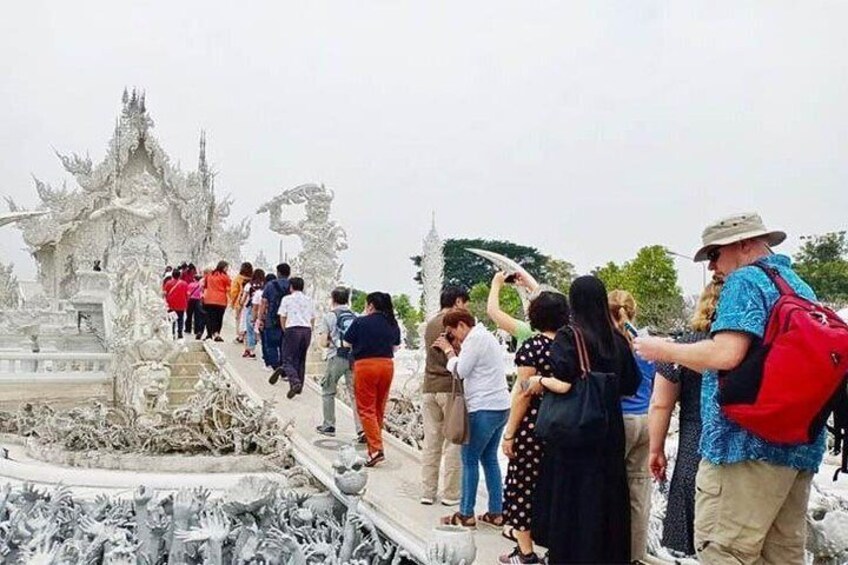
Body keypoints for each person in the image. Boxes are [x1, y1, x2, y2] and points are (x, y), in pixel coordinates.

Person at [635, 213, 825, 565]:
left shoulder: (746, 281)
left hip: (743, 448)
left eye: (714, 255)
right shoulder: (798, 286)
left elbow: (726, 354)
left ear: (744, 245)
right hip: (797, 445)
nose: (713, 267)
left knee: (725, 550)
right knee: (781, 554)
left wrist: (662, 350)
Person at [530, 275, 639, 564]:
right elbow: (631, 384)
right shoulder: (617, 338)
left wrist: (540, 379)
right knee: (607, 498)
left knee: (573, 501)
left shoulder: (570, 335)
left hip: (575, 431)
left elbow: (563, 381)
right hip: (609, 427)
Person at [648, 279, 723, 557]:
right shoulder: (746, 345)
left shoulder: (683, 347)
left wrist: (656, 450)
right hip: (741, 446)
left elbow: (660, 405)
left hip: (694, 444)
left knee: (693, 534)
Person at [499, 291, 570, 564]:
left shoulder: (532, 347)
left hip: (533, 427)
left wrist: (510, 433)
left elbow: (524, 393)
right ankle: (554, 549)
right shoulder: (571, 346)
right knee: (554, 487)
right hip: (563, 426)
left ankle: (526, 553)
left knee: (522, 486)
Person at [436, 309, 511, 530]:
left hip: (483, 408)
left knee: (468, 459)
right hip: (501, 406)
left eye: (452, 332)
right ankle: (497, 512)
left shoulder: (474, 340)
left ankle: (466, 513)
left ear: (461, 325)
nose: (454, 337)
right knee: (489, 458)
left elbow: (461, 371)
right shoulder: (487, 336)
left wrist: (449, 353)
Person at [608, 289, 655, 562]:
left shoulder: (611, 344)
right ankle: (635, 555)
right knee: (639, 492)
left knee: (611, 489)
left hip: (621, 420)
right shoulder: (645, 343)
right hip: (646, 419)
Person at [421, 285, 470, 507]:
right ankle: (451, 494)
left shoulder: (430, 323)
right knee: (453, 442)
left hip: (429, 387)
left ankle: (427, 492)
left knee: (431, 442)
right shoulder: (456, 324)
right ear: (458, 301)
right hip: (450, 388)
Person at [343, 292, 401, 467]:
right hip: (387, 365)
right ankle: (374, 446)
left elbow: (346, 343)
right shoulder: (393, 323)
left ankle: (376, 449)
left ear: (371, 305)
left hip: (366, 366)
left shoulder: (361, 321)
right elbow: (396, 346)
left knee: (366, 409)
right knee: (378, 408)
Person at [316, 287, 363, 439]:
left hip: (336, 357)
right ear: (348, 299)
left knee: (328, 390)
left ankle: (329, 425)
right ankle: (361, 429)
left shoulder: (329, 316)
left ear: (332, 298)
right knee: (355, 394)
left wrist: (333, 343)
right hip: (353, 358)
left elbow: (323, 342)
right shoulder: (355, 316)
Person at [269, 277, 314, 399]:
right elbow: (312, 318)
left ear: (291, 287)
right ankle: (299, 386)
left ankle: (295, 382)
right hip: (307, 330)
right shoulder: (309, 300)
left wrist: (285, 329)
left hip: (293, 329)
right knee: (301, 359)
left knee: (287, 359)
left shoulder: (287, 299)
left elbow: (282, 316)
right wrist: (310, 330)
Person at [487, 271, 540, 347]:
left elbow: (493, 311)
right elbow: (546, 303)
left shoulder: (527, 332)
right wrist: (530, 285)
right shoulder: (559, 334)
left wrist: (496, 284)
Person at [257, 264, 291, 370]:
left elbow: (263, 302)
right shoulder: (292, 285)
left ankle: (275, 366)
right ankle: (283, 367)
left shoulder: (270, 285)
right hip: (288, 320)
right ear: (289, 273)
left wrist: (260, 318)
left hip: (271, 319)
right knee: (284, 345)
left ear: (278, 273)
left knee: (271, 345)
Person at [202, 261, 231, 342]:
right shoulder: (224, 276)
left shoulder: (209, 275)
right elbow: (229, 286)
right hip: (221, 300)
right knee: (218, 318)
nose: (227, 269)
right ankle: (216, 334)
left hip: (209, 299)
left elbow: (205, 286)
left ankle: (209, 335)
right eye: (226, 267)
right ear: (223, 267)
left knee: (209, 317)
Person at [242, 269, 265, 359]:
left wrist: (241, 303)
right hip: (262, 309)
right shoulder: (265, 286)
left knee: (249, 329)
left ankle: (250, 350)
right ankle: (254, 347)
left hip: (251, 308)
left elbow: (244, 298)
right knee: (258, 330)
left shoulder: (249, 285)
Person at [230, 262, 253, 344]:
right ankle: (246, 335)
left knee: (238, 319)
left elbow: (233, 292)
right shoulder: (252, 279)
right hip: (250, 303)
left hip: (240, 302)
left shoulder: (237, 279)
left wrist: (232, 302)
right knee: (247, 319)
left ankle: (240, 336)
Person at [164, 269, 189, 339]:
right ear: (179, 275)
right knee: (180, 319)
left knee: (172, 319)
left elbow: (165, 293)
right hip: (181, 304)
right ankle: (180, 332)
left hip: (171, 305)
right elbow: (187, 294)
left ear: (172, 275)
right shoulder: (184, 283)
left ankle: (172, 333)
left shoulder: (168, 283)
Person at [186, 273, 204, 338]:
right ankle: (196, 330)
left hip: (190, 300)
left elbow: (187, 293)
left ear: (194, 279)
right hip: (198, 301)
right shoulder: (201, 285)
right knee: (197, 316)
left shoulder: (190, 284)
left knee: (189, 315)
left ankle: (188, 329)